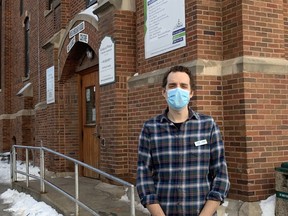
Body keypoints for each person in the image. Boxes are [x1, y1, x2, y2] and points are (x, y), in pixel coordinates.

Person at [136, 65, 230, 216]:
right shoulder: (150, 128)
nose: (178, 90)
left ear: (191, 92)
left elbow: (220, 175)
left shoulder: (208, 125)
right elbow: (144, 176)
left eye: (183, 86)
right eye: (172, 86)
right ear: (164, 92)